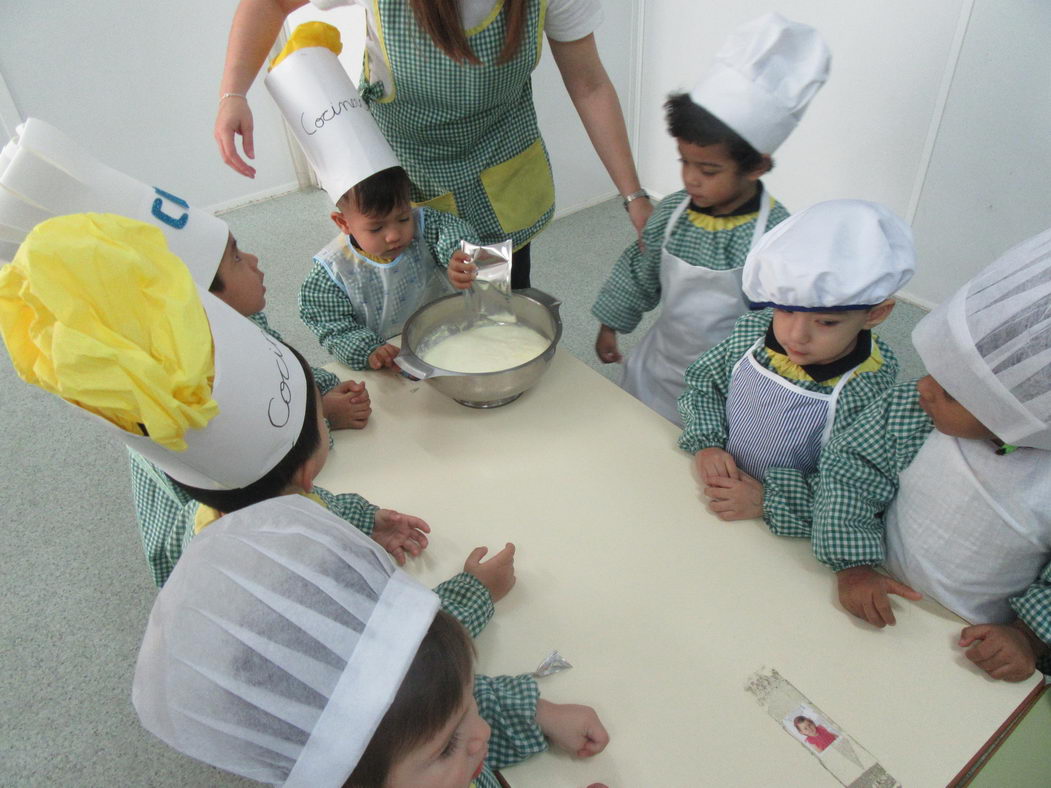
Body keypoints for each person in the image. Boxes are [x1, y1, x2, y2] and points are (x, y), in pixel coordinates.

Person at [0, 214, 509, 638]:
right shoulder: (298, 572)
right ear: (309, 469)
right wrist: (475, 593)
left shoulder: (230, 483)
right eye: (239, 258)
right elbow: (394, 656)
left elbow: (275, 503)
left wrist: (361, 518)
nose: (258, 261)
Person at [0, 117, 370, 586]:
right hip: (223, 563)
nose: (255, 261)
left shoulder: (234, 331)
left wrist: (320, 390)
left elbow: (277, 373)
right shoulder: (178, 414)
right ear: (204, 303)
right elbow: (269, 488)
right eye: (236, 258)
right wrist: (323, 419)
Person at [133, 495, 609, 786]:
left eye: (469, 709)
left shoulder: (396, 736)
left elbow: (439, 704)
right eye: (446, 747)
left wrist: (538, 713)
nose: (480, 732)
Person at [214, 0, 652, 288]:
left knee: (494, 299)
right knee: (410, 302)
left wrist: (633, 195)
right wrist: (233, 93)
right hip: (406, 174)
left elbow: (590, 84)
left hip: (501, 167)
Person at [811, 227, 1051, 682]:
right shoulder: (913, 411)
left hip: (968, 645)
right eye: (936, 371)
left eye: (952, 392)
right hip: (878, 589)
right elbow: (850, 473)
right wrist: (854, 564)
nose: (924, 387)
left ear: (1019, 420)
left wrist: (1024, 637)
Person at [592, 13, 830, 424]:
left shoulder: (775, 236)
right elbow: (639, 271)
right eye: (685, 162)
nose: (690, 180)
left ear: (756, 166)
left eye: (709, 171)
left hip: (730, 384)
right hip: (660, 365)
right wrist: (611, 323)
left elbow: (784, 323)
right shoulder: (672, 213)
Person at [677, 200, 914, 537]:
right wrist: (707, 442)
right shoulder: (753, 334)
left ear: (875, 314)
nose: (796, 336)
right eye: (784, 312)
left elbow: (855, 487)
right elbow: (705, 385)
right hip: (712, 490)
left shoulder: (868, 388)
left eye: (827, 322)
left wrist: (769, 500)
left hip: (777, 524)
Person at [264, 24, 480, 371]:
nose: (395, 235)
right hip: (390, 362)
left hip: (448, 337)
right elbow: (329, 325)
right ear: (342, 222)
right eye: (376, 228)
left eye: (403, 218)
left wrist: (458, 255)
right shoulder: (332, 274)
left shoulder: (425, 226)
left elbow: (449, 231)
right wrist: (366, 349)